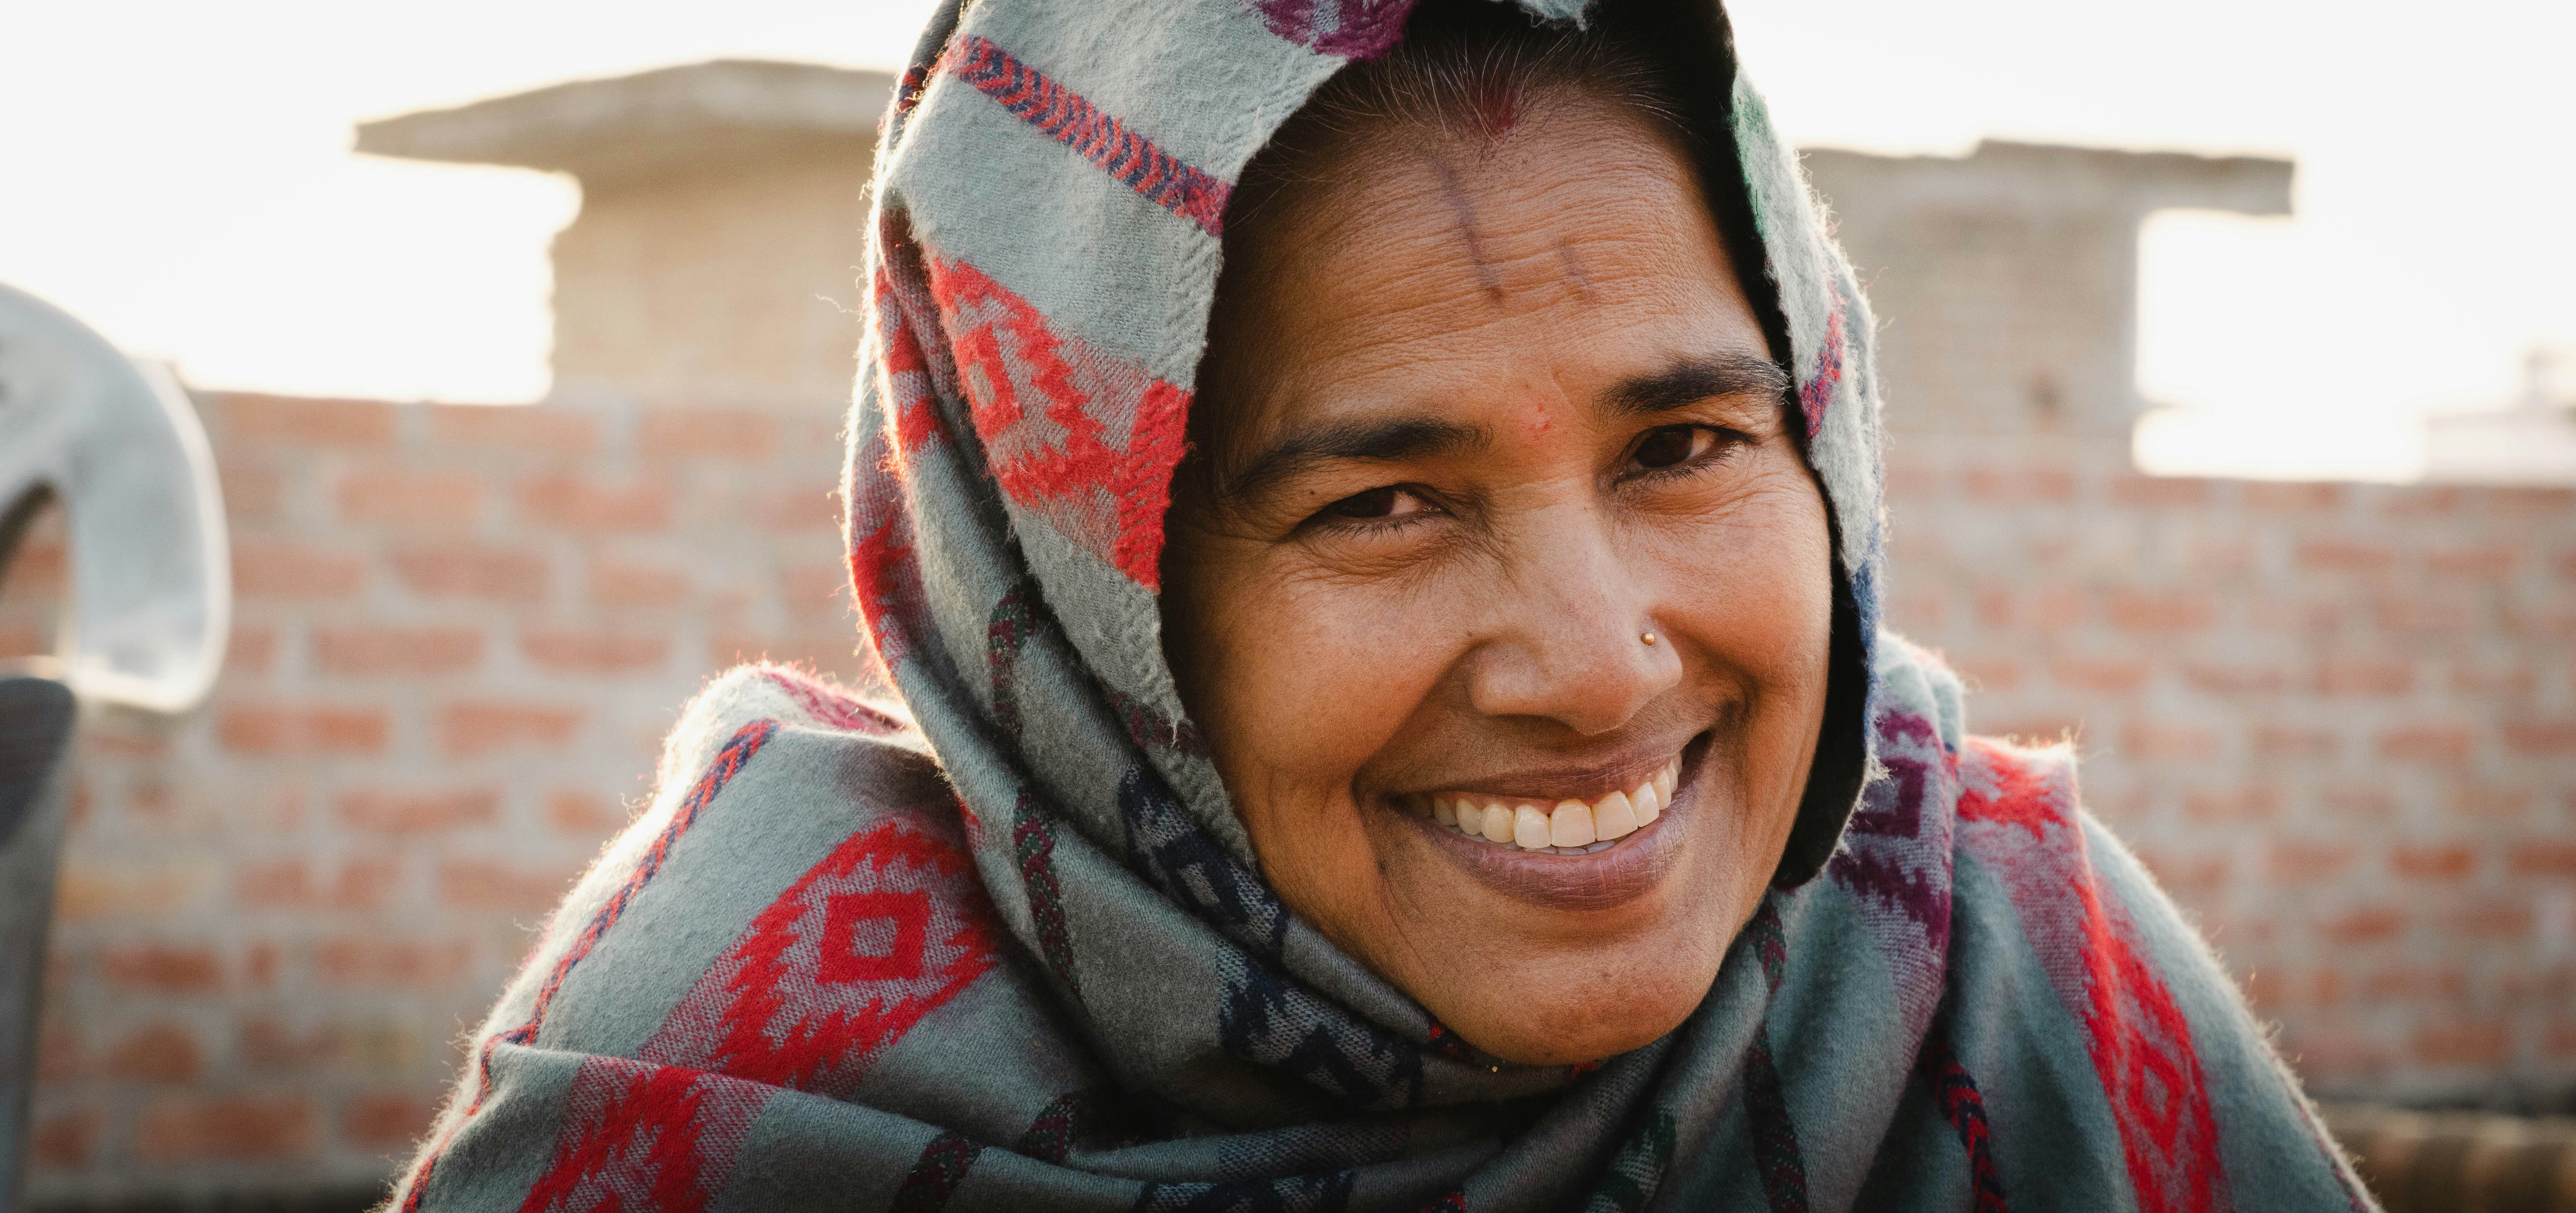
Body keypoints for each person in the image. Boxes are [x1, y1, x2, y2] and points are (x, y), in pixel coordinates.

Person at [385, 1, 2377, 1209]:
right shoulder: (733, 1112)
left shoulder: (1991, 964)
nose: (1602, 664)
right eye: (1384, 503)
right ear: (1087, 599)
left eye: (1683, 448)